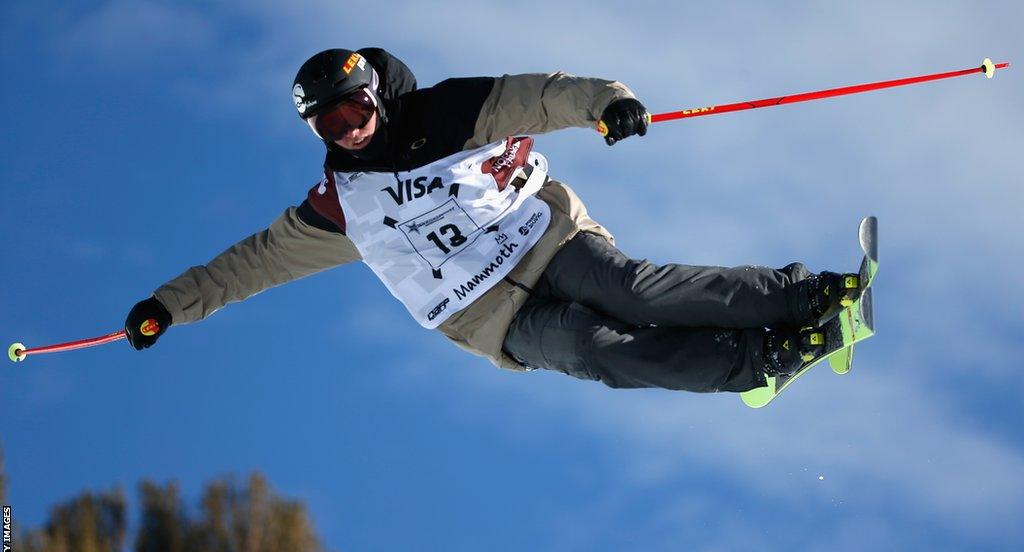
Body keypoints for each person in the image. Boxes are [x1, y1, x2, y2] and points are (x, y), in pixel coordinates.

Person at [124, 47, 856, 393]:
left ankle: (806, 296)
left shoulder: (449, 110)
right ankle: (761, 360)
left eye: (351, 111)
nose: (346, 131)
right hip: (481, 313)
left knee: (635, 292)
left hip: (542, 239)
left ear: (375, 95)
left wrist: (609, 103)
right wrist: (167, 307)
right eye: (327, 125)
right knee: (597, 349)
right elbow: (252, 264)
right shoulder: (343, 204)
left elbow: (542, 97)